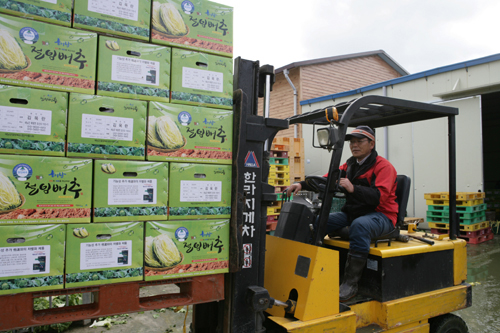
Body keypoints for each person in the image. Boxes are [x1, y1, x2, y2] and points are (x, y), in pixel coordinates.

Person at [285, 125, 398, 301]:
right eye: (352, 142)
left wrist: (353, 188)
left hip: (381, 215)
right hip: (354, 213)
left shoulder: (384, 167)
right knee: (318, 221)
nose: (354, 145)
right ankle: (309, 270)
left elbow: (379, 197)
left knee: (360, 226)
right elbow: (327, 178)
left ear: (371, 143)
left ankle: (350, 284)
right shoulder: (350, 165)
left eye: (360, 141)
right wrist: (302, 184)